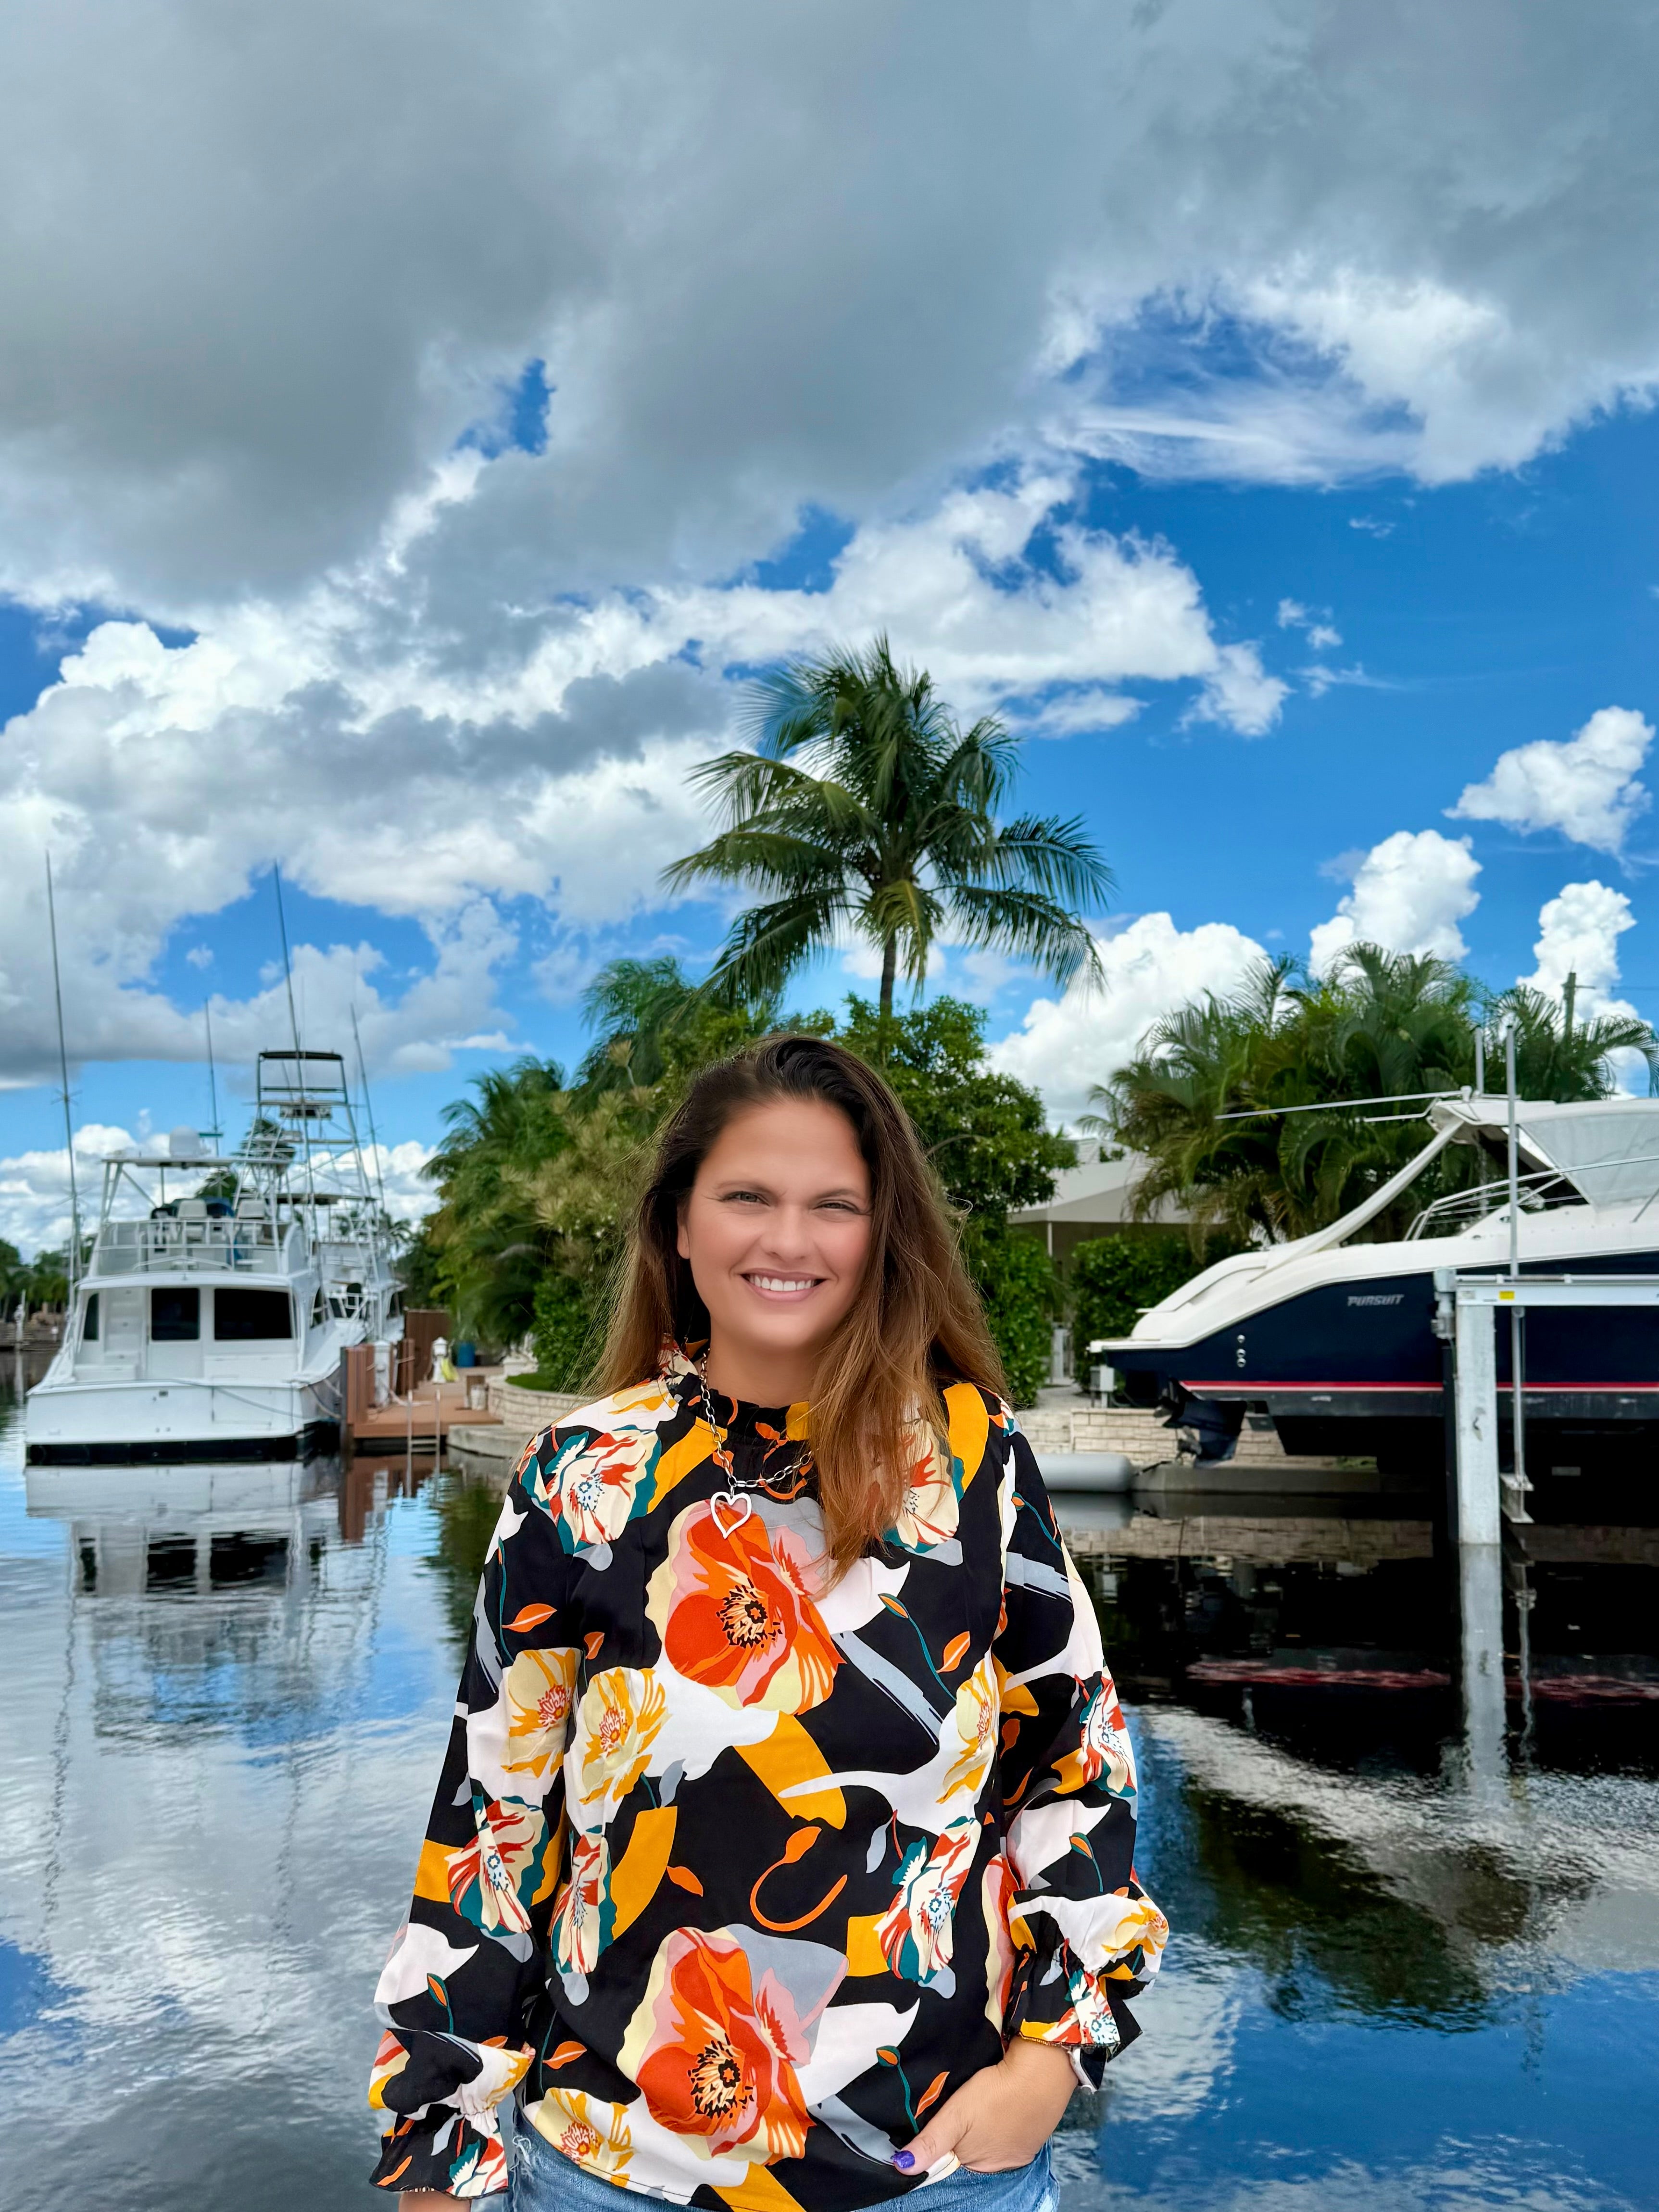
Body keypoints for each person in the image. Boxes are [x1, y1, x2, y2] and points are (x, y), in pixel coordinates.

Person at [369, 1036, 1166, 2211]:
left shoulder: (969, 1457)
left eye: (832, 1205)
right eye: (747, 1196)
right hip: (609, 2174)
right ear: (678, 1225)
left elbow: (1075, 1763)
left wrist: (1049, 2059)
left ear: (878, 1235)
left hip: (932, 2171)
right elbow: (494, 1821)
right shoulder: (585, 1477)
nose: (788, 1240)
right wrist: (439, 2148)